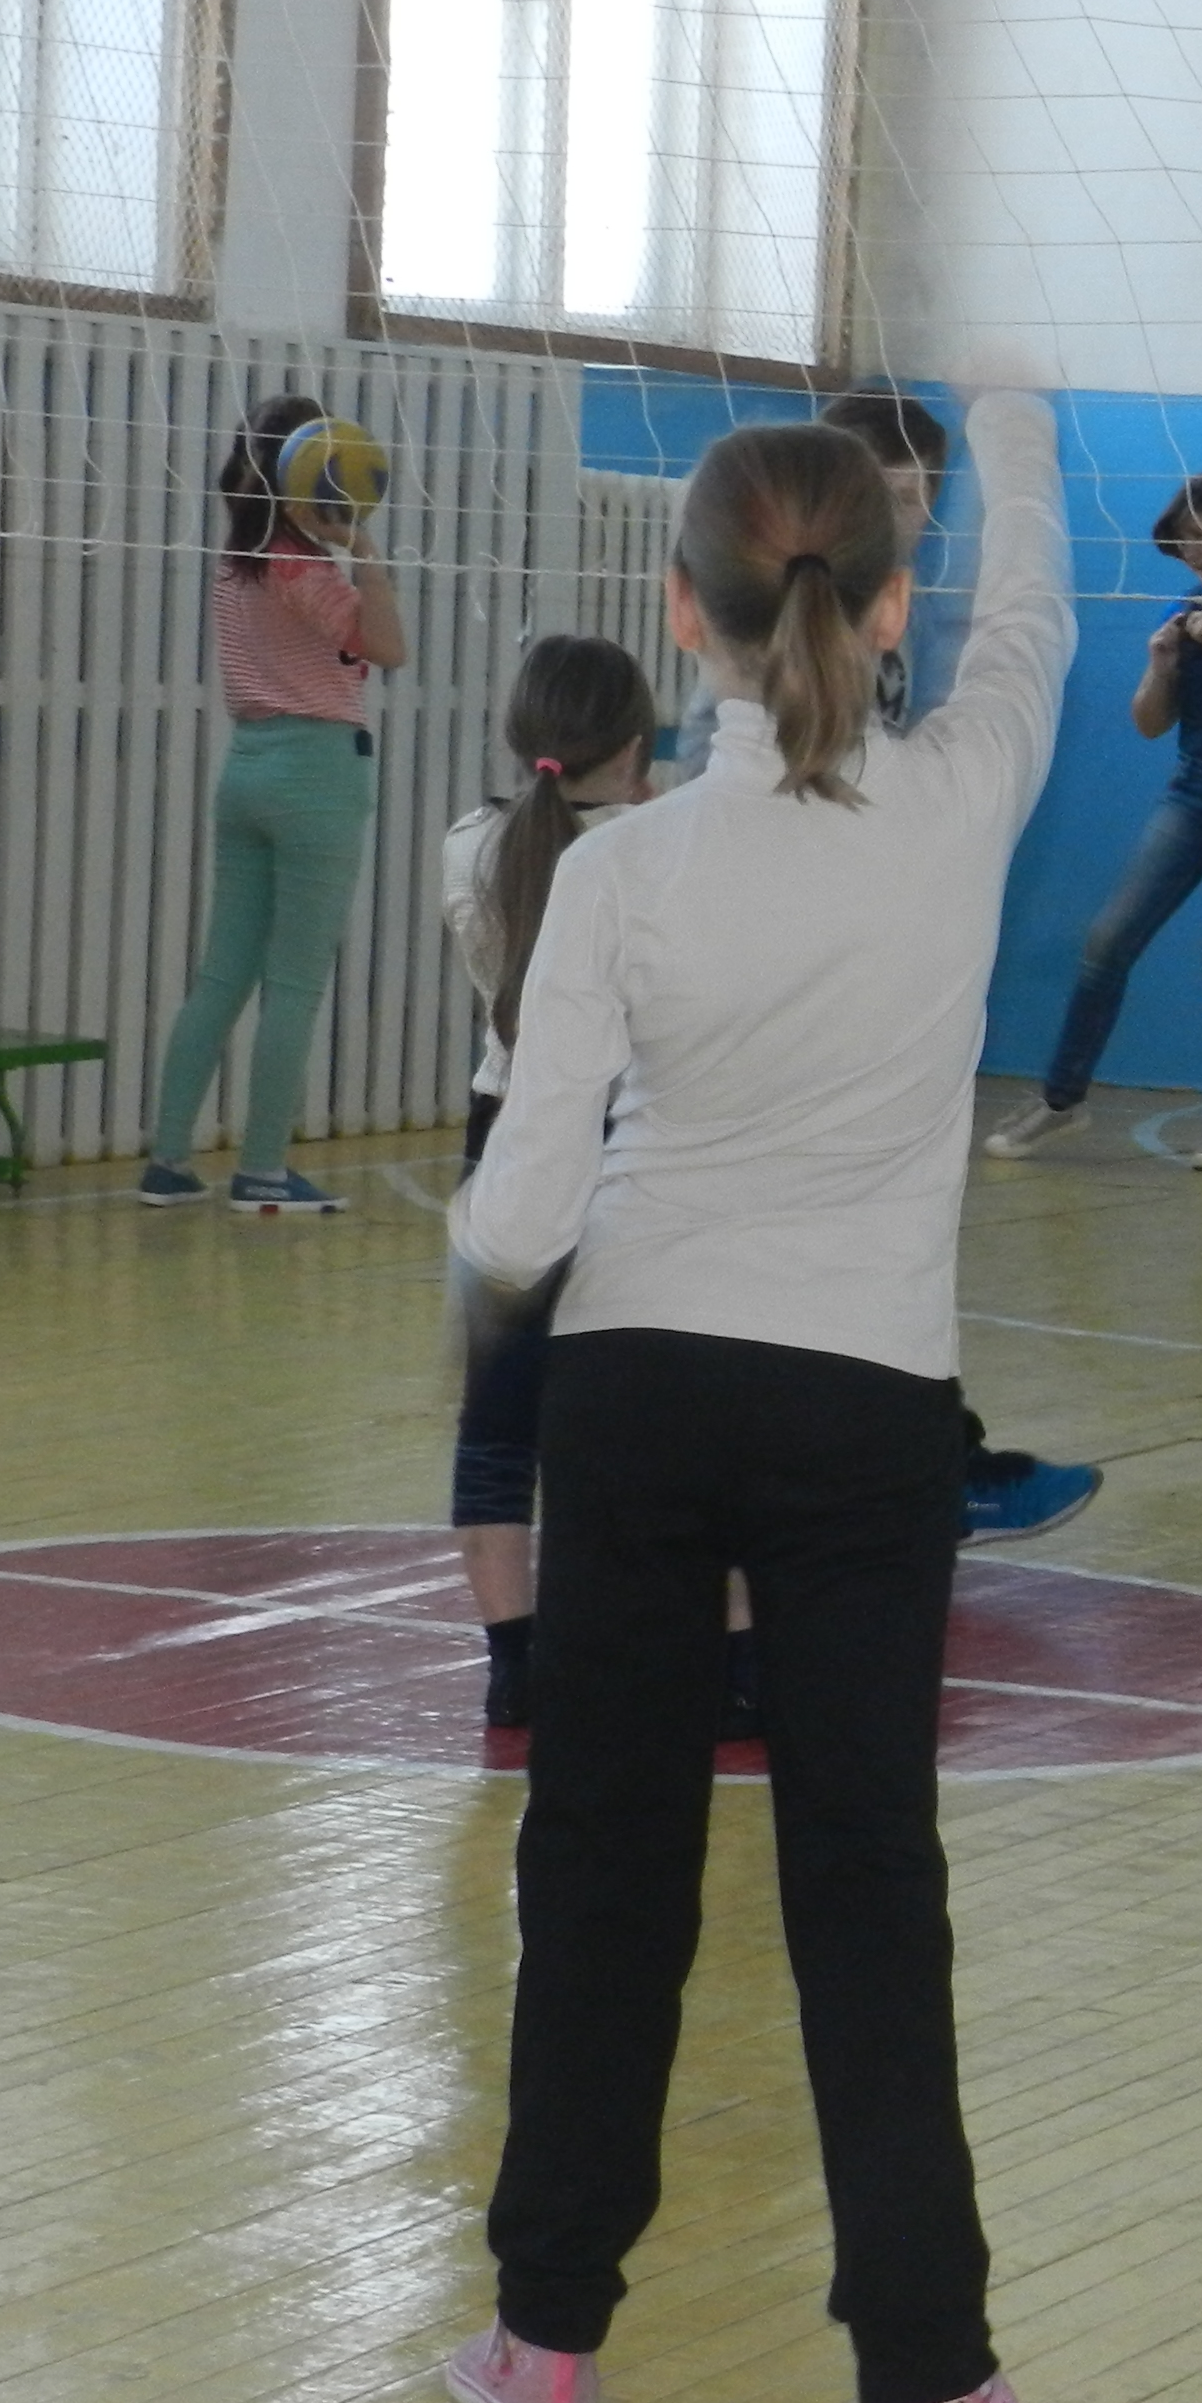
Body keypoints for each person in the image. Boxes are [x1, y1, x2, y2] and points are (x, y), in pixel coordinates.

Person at [441, 403, 1094, 2403]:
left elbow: (523, 1222)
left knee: (601, 1865)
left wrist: (484, 1280)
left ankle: (544, 2341)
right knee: (865, 1882)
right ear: (891, 606)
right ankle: (926, 2400)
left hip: (634, 1397)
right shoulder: (964, 799)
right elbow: (1036, 623)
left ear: (679, 613)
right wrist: (1017, 424)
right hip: (860, 1411)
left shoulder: (619, 870)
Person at [822, 384, 1103, 1545]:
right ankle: (924, 1470)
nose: (915, 514)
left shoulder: (881, 633)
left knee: (874, 1240)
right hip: (833, 983)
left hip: (865, 974)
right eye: (892, 492)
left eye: (925, 493)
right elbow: (1027, 623)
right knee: (862, 1240)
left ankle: (933, 1460)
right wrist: (1017, 432)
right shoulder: (806, 640)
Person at [983, 467, 1202, 1174]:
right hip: (1193, 793)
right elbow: (1149, 723)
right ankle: (1061, 1099)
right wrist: (1161, 666)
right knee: (1107, 941)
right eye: (1181, 543)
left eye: (1201, 536)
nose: (1192, 553)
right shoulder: (1183, 610)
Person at [439, 636, 658, 1733]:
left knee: (496, 1423)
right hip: (631, 1135)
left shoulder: (471, 844)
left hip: (508, 1132)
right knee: (673, 1410)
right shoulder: (655, 848)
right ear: (636, 743)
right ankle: (728, 1660)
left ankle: (513, 1666)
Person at [137, 395, 409, 1214]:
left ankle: (167, 1163)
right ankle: (261, 1169)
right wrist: (364, 550)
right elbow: (389, 648)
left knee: (221, 975)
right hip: (317, 774)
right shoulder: (306, 572)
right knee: (294, 983)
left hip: (246, 769)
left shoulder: (237, 562)